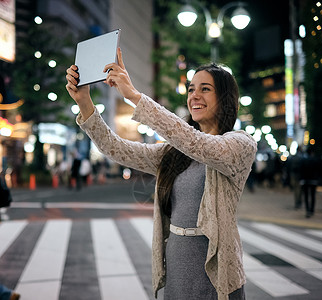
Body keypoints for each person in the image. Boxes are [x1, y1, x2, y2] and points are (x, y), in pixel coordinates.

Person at [66, 48, 257, 299]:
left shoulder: (239, 145)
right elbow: (116, 149)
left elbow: (198, 144)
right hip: (178, 261)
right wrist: (85, 103)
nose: (195, 96)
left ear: (225, 97)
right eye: (191, 89)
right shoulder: (174, 153)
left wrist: (134, 96)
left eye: (205, 89)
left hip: (216, 270)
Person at [299, 146, 322, 218]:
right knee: (312, 195)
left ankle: (307, 210)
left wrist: (301, 179)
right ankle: (312, 210)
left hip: (305, 180)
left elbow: (301, 171)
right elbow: (319, 170)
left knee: (306, 196)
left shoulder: (303, 160)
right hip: (313, 180)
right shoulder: (316, 160)